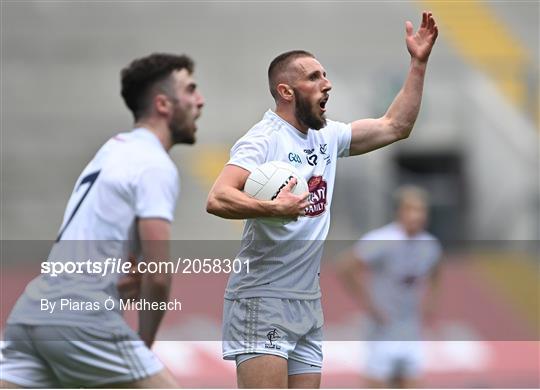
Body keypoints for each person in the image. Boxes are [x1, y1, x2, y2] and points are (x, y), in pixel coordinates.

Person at [206, 11, 439, 389]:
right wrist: (273, 208)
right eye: (314, 77)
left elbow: (396, 126)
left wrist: (418, 64)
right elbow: (218, 196)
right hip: (263, 297)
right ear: (286, 91)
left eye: (325, 75)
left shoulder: (327, 136)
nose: (326, 84)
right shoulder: (264, 139)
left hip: (307, 300)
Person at [0, 53, 204, 388]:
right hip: (80, 317)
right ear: (164, 104)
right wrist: (143, 342)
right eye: (191, 89)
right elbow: (158, 273)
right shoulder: (154, 164)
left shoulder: (112, 150)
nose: (200, 100)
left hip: (34, 310)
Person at [336, 186, 442, 388]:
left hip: (410, 329)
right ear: (399, 212)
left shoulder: (429, 245)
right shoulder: (383, 239)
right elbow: (346, 266)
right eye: (411, 209)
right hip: (382, 329)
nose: (416, 216)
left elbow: (437, 271)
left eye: (421, 210)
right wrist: (369, 305)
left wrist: (431, 301)